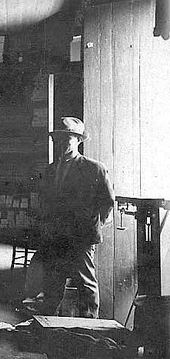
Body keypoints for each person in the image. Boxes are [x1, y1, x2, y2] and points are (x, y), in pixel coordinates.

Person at [38, 117, 115, 318]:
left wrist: (93, 224)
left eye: (68, 139)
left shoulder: (94, 168)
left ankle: (89, 325)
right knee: (53, 282)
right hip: (56, 235)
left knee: (85, 283)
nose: (62, 143)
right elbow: (46, 201)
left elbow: (107, 202)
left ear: (79, 140)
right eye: (58, 139)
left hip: (81, 236)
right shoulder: (50, 170)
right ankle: (48, 324)